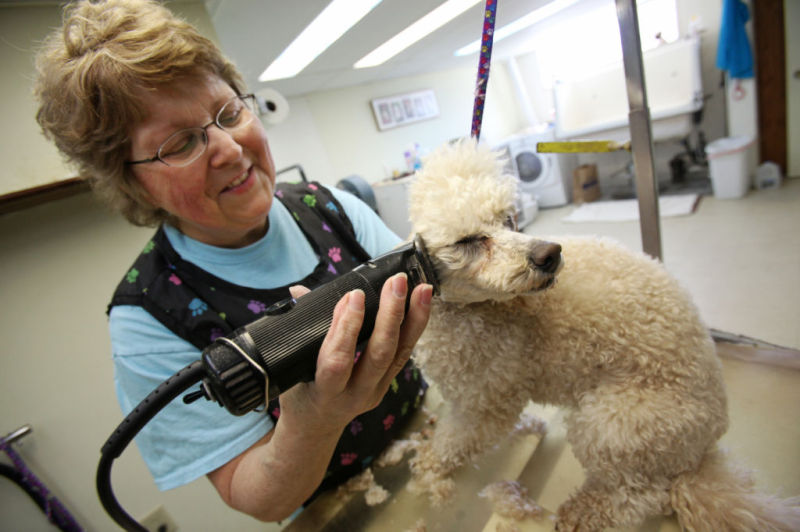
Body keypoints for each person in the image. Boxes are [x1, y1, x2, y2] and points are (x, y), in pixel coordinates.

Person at [34, 0, 433, 522]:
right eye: (179, 144)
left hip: (429, 432)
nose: (229, 147)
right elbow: (259, 497)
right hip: (343, 510)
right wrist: (313, 420)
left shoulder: (329, 207)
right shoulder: (150, 316)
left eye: (228, 113)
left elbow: (441, 299)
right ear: (131, 181)